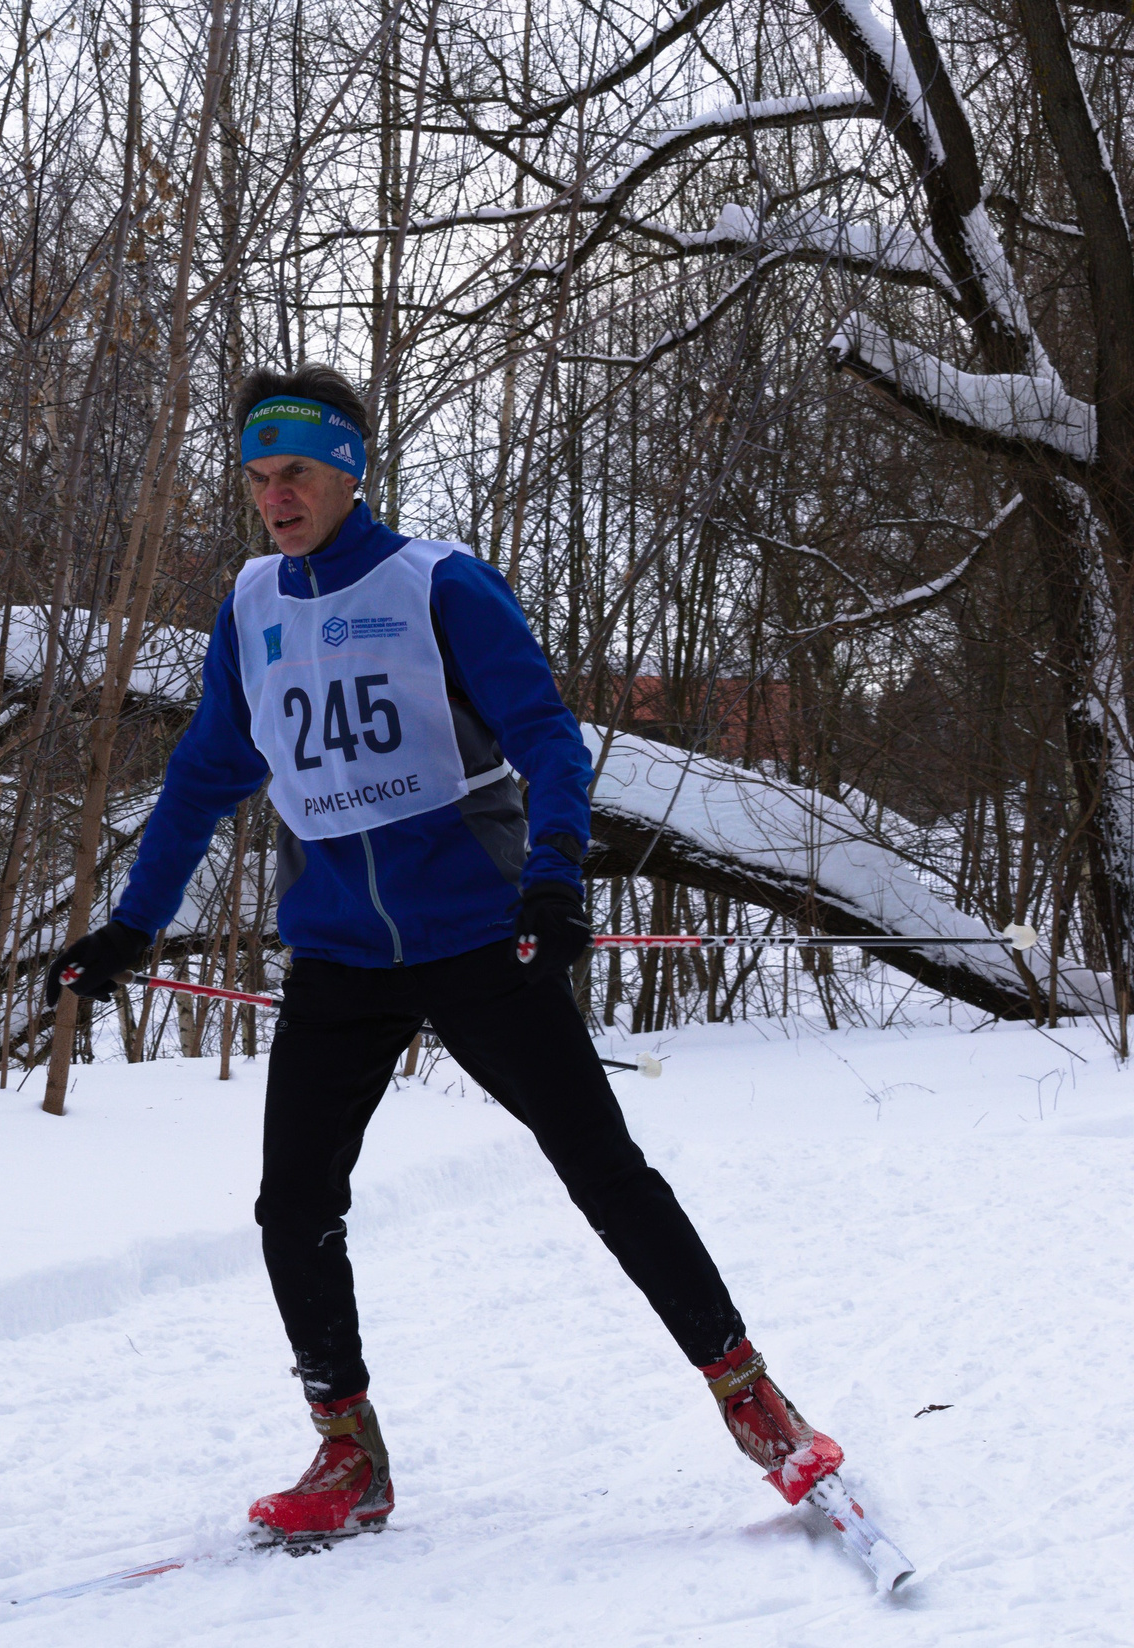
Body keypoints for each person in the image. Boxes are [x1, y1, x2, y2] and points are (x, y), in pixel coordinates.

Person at [45, 364, 841, 1550]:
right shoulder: (251, 604)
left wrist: (555, 874)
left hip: (478, 933)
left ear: (349, 472)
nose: (274, 498)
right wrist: (130, 924)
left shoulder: (438, 584)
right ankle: (347, 1451)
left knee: (601, 1168)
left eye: (295, 474)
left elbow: (547, 740)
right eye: (257, 478)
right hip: (339, 953)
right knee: (292, 1203)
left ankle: (752, 1397)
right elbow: (205, 776)